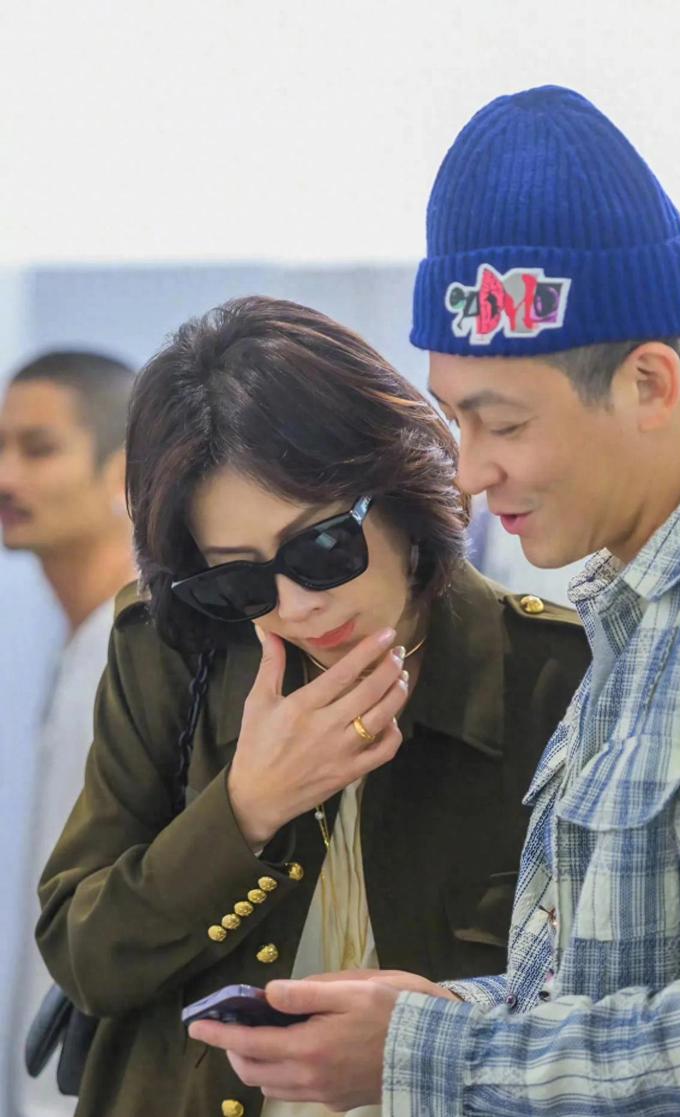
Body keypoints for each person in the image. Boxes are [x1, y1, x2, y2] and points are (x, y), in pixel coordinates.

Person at [190, 87, 680, 1114]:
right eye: (455, 421)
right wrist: (440, 1013)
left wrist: (427, 1051)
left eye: (504, 423)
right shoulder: (650, 607)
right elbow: (619, 994)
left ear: (650, 383)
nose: (469, 472)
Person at [35, 296, 589, 1117]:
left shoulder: (558, 675)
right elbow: (84, 955)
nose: (295, 605)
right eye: (240, 578)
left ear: (402, 489)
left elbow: (614, 1009)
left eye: (323, 547)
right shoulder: (172, 649)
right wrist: (244, 810)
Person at [0, 350, 136, 1117]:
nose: (7, 476)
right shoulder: (87, 642)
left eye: (39, 448)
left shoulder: (135, 654)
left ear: (123, 472)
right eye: (0, 447)